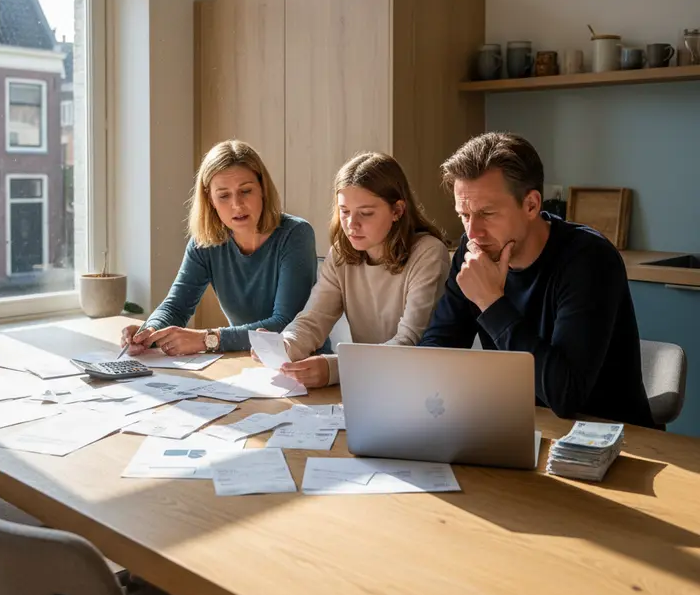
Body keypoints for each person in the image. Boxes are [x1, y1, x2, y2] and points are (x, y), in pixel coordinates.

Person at [420, 132, 654, 427]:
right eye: (464, 215)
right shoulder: (473, 250)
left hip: (610, 439)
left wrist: (491, 303)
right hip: (522, 427)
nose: (474, 231)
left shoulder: (589, 259)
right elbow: (436, 351)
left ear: (531, 205)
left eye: (487, 213)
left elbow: (565, 395)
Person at [270, 151, 450, 388]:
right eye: (344, 212)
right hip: (366, 384)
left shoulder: (428, 253)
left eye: (365, 213)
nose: (351, 225)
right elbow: (313, 319)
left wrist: (335, 368)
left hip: (418, 386)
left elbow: (409, 343)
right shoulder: (341, 254)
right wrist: (284, 345)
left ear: (397, 210)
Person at [121, 140, 317, 356]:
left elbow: (285, 324)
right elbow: (176, 307)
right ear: (210, 200)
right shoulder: (205, 242)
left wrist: (208, 339)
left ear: (262, 189)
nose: (237, 205)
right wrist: (149, 331)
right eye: (224, 195)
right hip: (243, 362)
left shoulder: (295, 234)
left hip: (301, 363)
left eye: (246, 191)